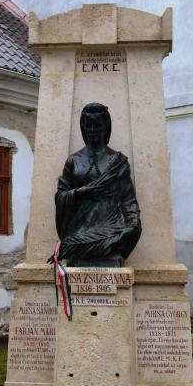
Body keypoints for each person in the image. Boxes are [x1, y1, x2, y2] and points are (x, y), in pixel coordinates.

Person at [53, 102, 141, 267]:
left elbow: (128, 199)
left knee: (125, 236)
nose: (92, 130)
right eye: (88, 126)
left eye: (97, 125)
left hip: (112, 229)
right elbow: (60, 197)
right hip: (80, 232)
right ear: (83, 128)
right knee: (69, 246)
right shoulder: (73, 161)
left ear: (106, 128)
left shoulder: (118, 162)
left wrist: (134, 224)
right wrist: (81, 193)